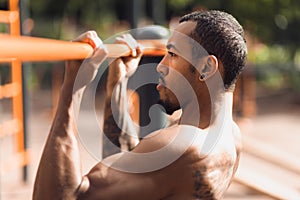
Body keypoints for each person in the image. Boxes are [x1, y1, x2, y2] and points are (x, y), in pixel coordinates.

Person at [33, 10, 247, 200]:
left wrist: (72, 87)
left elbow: (64, 196)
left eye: (172, 54)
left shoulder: (181, 147)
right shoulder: (231, 138)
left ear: (206, 67)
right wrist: (117, 84)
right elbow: (129, 168)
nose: (160, 67)